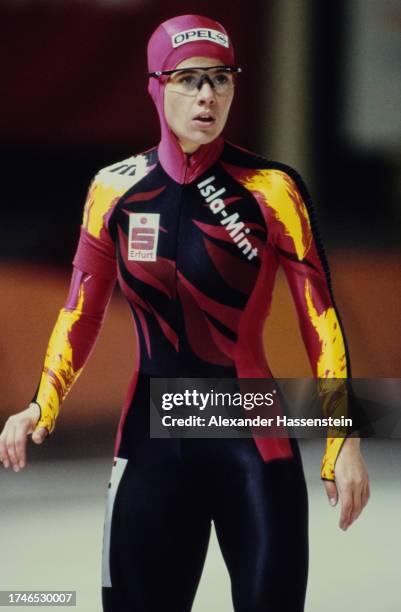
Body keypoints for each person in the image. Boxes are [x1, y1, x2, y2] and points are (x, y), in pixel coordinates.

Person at [0, 14, 369, 612]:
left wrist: (341, 436)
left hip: (251, 434)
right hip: (150, 438)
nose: (207, 96)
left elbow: (320, 320)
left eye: (222, 80)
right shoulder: (113, 189)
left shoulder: (272, 189)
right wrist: (44, 402)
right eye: (190, 79)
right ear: (155, 85)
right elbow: (80, 311)